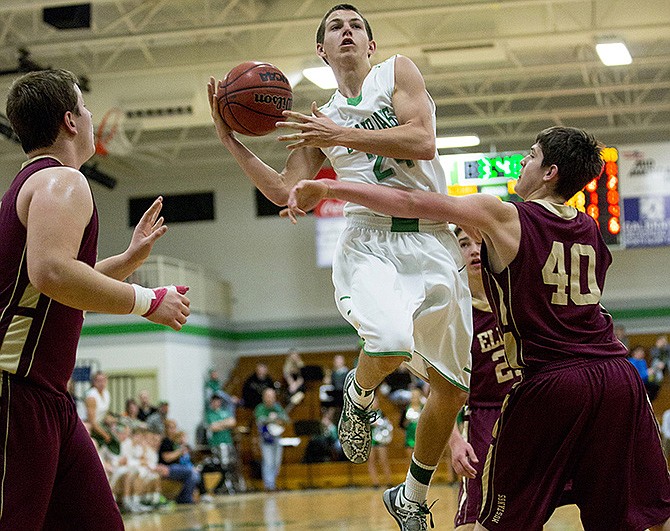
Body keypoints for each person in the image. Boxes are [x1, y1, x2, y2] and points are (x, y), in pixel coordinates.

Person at [284, 125, 670, 530]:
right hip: (617, 377)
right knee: (628, 516)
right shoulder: (590, 228)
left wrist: (330, 190)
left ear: (550, 172)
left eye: (532, 154)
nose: (524, 161)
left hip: (553, 381)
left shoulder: (505, 214)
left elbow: (410, 200)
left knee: (498, 523)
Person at [208, 6, 472, 527]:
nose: (347, 30)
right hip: (370, 243)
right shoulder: (318, 120)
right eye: (335, 27)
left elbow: (422, 141)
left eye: (356, 25)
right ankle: (358, 391)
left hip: (433, 240)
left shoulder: (397, 72)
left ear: (371, 47)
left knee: (454, 388)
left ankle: (412, 496)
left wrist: (339, 134)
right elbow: (287, 193)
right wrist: (230, 142)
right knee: (392, 339)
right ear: (321, 52)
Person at [0, 69, 191, 529]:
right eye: (84, 107)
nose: (89, 116)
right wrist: (147, 300)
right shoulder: (63, 182)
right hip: (15, 391)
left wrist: (127, 260)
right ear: (70, 121)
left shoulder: (34, 186)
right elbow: (51, 273)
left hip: (49, 399)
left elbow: (60, 287)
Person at [448, 227, 522, 530]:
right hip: (484, 418)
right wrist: (454, 441)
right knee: (473, 519)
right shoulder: (453, 313)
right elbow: (439, 390)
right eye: (465, 244)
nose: (474, 250)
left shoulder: (518, 295)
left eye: (481, 242)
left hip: (533, 412)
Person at [254, 387, 289, 491]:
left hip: (277, 438)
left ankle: (272, 483)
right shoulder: (260, 408)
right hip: (266, 438)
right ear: (264, 397)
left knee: (276, 462)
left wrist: (279, 418)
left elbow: (286, 419)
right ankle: (269, 485)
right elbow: (259, 420)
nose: (270, 398)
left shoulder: (277, 407)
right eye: (268, 396)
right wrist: (271, 419)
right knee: (268, 461)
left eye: (272, 396)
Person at [367, 397, 394, 488]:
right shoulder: (366, 414)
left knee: (384, 460)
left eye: (375, 401)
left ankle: (389, 481)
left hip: (381, 440)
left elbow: (387, 425)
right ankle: (375, 482)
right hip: (371, 439)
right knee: (371, 461)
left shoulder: (381, 413)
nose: (374, 403)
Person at [85, 370, 114, 449]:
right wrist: (105, 435)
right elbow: (91, 422)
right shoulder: (91, 396)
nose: (102, 383)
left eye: (104, 380)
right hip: (90, 427)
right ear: (94, 382)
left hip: (100, 424)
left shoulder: (106, 393)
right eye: (99, 381)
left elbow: (105, 414)